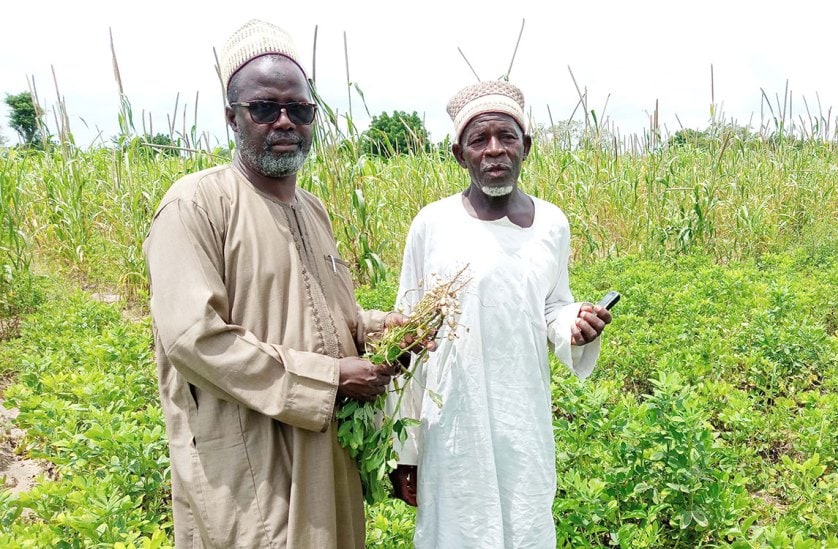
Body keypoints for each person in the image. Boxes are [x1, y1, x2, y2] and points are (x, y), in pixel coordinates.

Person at [144, 19, 410, 548]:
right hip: (252, 457)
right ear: (231, 117)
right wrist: (330, 379)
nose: (285, 121)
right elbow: (194, 339)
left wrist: (382, 329)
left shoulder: (313, 209)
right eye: (265, 108)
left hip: (325, 451)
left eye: (300, 110)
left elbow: (323, 313)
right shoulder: (195, 205)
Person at [388, 80, 613, 548]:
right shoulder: (432, 225)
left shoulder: (552, 224)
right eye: (479, 139)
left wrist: (574, 323)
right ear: (459, 154)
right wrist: (404, 449)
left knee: (525, 522)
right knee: (456, 529)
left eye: (506, 137)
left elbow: (551, 304)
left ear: (525, 146)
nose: (494, 150)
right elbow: (405, 337)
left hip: (521, 418)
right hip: (450, 423)